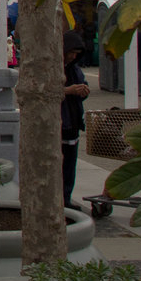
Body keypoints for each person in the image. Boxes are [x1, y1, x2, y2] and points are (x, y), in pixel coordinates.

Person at [61, 29, 90, 208]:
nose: (72, 56)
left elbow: (82, 85)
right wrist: (69, 90)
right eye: (70, 52)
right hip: (59, 122)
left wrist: (82, 91)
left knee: (70, 166)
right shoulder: (52, 67)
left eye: (76, 54)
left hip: (73, 121)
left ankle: (66, 198)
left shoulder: (75, 70)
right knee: (60, 165)